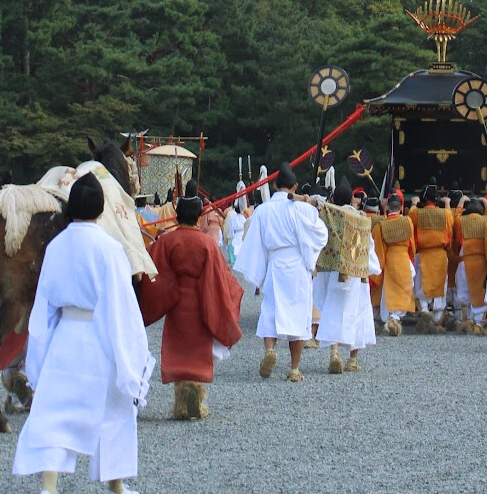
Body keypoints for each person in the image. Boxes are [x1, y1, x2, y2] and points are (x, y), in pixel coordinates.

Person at [12, 174, 153, 494]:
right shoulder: (110, 248)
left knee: (54, 410)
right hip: (100, 337)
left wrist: (37, 357)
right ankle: (116, 489)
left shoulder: (55, 247)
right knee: (117, 410)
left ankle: (50, 489)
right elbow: (120, 306)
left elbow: (43, 303)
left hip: (65, 334)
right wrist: (130, 355)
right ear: (101, 209)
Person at [138, 184, 244, 419]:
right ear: (198, 216)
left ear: (178, 215)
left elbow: (152, 269)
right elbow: (220, 277)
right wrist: (231, 293)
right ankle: (198, 398)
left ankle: (180, 405)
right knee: (198, 353)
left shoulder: (167, 242)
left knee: (179, 351)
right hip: (200, 302)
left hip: (176, 303)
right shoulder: (207, 244)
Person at [234, 162, 328, 382]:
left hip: (275, 264)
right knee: (297, 314)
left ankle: (269, 350)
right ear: (295, 186)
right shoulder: (305, 209)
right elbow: (321, 235)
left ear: (275, 185)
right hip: (297, 265)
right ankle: (294, 368)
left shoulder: (263, 210)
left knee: (271, 310)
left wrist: (260, 270)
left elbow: (255, 241)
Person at [313, 179, 378, 373]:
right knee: (357, 314)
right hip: (356, 274)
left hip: (333, 272)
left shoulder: (330, 217)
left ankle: (334, 353)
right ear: (352, 198)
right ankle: (352, 359)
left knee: (332, 311)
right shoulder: (361, 218)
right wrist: (371, 268)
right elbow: (368, 248)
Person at [409, 185, 454, 331]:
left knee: (420, 283)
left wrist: (414, 203)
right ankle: (437, 318)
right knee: (441, 285)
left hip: (423, 254)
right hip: (440, 254)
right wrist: (447, 203)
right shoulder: (445, 214)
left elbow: (410, 218)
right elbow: (451, 228)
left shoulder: (417, 213)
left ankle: (424, 311)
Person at [372, 194, 416, 336]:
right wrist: (410, 256)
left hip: (389, 259)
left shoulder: (381, 226)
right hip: (403, 257)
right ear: (401, 208)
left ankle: (388, 317)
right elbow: (412, 245)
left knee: (388, 290)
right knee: (404, 289)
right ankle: (395, 317)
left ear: (387, 207)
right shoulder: (407, 221)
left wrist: (381, 266)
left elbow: (378, 249)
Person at [453, 198, 487, 333]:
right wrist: (486, 202)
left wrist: (461, 201)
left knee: (465, 292)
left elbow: (455, 216)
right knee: (479, 294)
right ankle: (478, 324)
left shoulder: (460, 221)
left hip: (464, 261)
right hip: (480, 262)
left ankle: (468, 320)